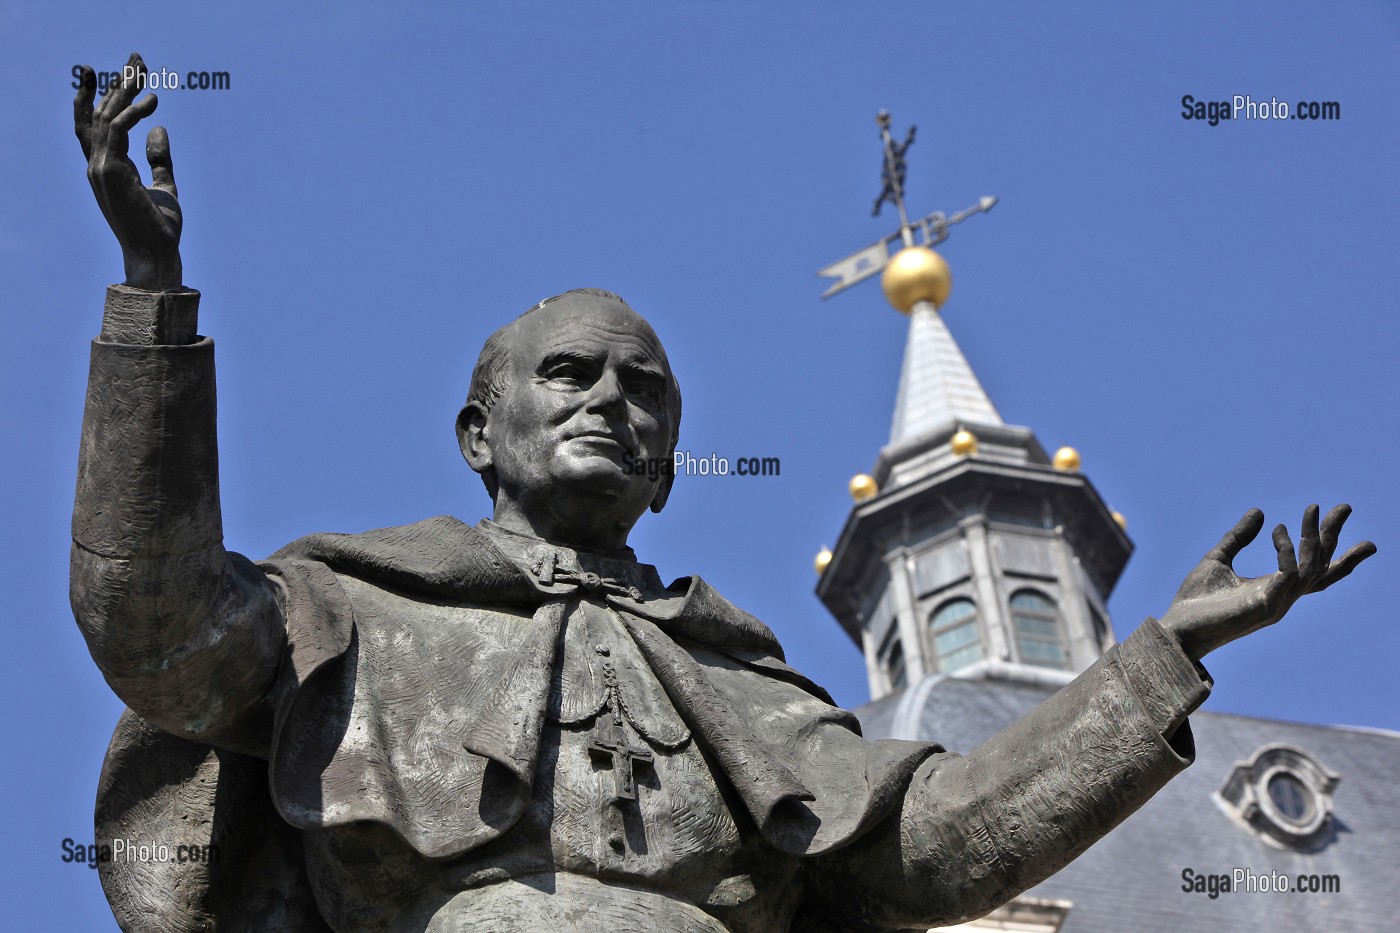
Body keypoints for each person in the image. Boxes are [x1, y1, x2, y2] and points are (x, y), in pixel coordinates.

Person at [71, 56, 1374, 933]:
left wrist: (1161, 658)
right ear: (480, 431)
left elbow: (936, 839)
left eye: (644, 390)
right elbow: (150, 613)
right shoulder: (351, 615)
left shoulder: (748, 683)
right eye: (568, 373)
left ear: (666, 456)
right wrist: (150, 292)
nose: (608, 401)